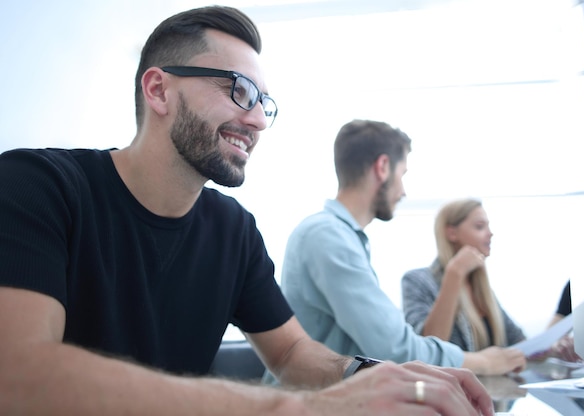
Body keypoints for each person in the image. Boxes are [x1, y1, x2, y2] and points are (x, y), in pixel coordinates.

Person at [0, 6, 495, 416]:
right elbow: (16, 375)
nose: (257, 119)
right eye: (237, 89)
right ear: (158, 90)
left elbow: (292, 352)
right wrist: (299, 410)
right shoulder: (38, 187)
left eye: (264, 102)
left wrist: (373, 375)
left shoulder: (233, 229)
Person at [275, 120, 525, 379]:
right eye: (403, 174)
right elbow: (397, 350)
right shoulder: (328, 237)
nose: (403, 191)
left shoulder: (337, 236)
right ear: (383, 167)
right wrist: (483, 362)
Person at [402, 198, 526, 356]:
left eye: (488, 226)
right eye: (480, 227)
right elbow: (427, 348)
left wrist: (551, 348)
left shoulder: (480, 286)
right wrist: (455, 273)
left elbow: (517, 340)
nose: (490, 233)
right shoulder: (417, 280)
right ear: (452, 233)